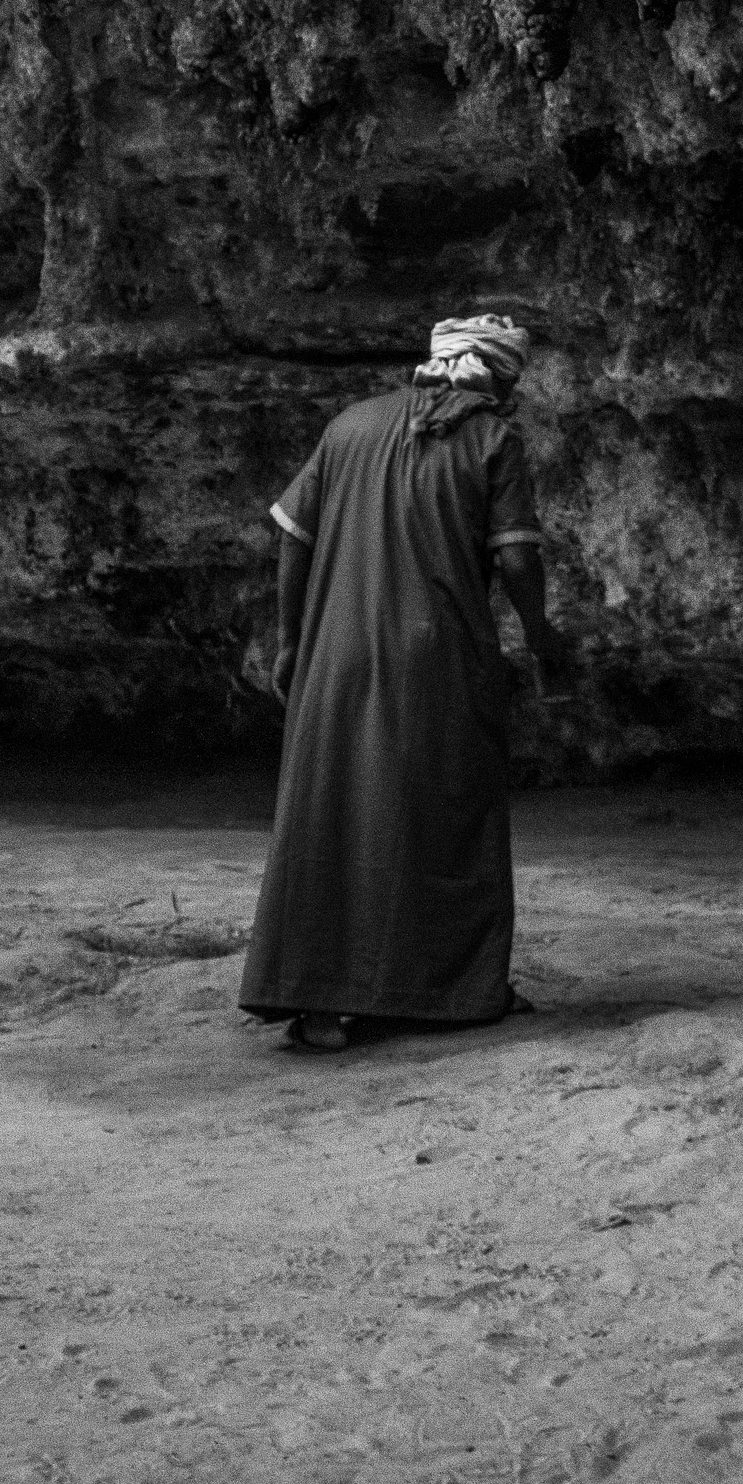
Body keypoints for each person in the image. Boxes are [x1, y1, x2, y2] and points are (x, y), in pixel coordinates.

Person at [240, 312, 567, 1055]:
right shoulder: (492, 439)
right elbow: (516, 559)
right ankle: (452, 992)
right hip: (437, 658)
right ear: (496, 376)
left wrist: (291, 641)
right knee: (445, 817)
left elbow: (292, 536)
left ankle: (322, 1002)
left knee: (333, 815)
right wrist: (544, 639)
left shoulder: (352, 424)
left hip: (335, 653)